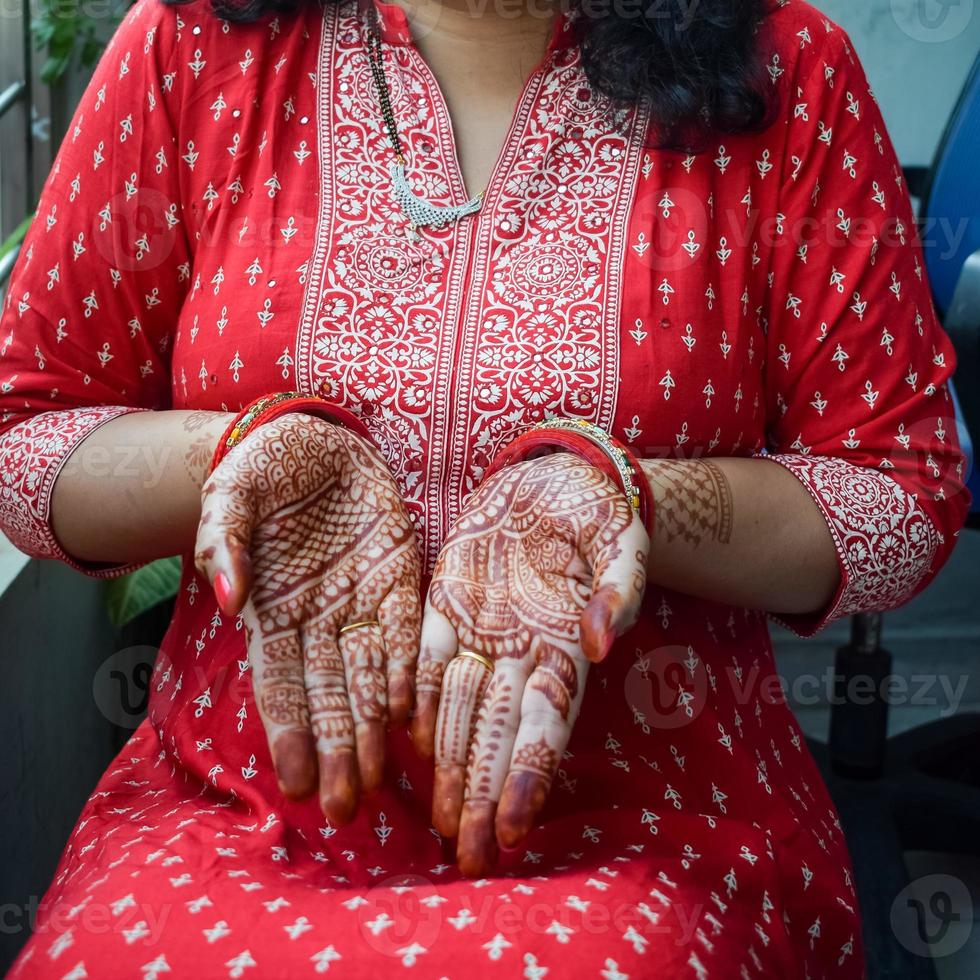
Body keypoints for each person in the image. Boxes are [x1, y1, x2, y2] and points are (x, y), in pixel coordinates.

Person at [0, 0, 968, 974]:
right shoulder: (194, 44)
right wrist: (244, 451)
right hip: (234, 812)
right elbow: (25, 432)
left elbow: (898, 487)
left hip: (649, 827)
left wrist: (623, 499)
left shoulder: (784, 66)